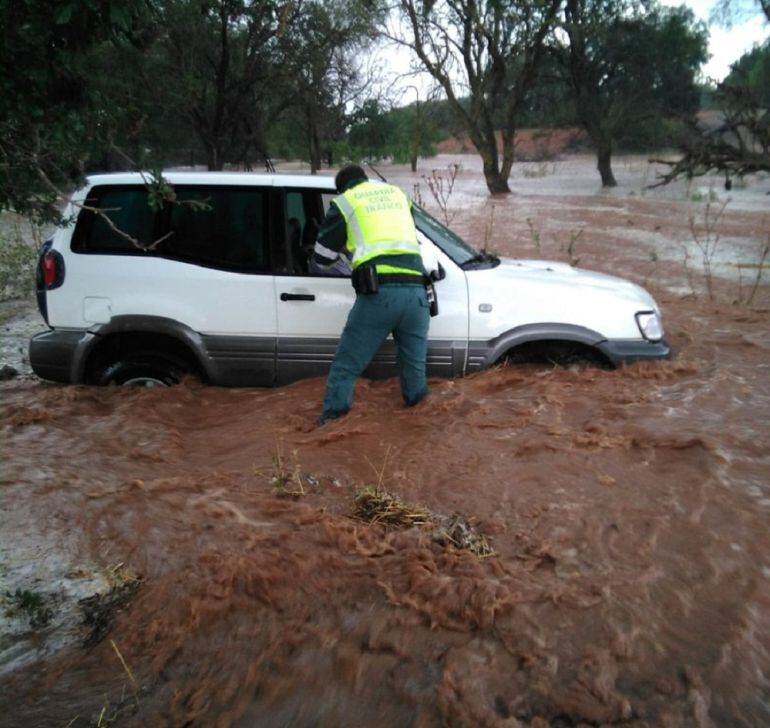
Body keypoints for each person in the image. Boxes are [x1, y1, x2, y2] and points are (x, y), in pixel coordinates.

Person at [314, 164, 431, 425]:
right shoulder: (397, 195)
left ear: (342, 187)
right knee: (414, 373)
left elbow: (322, 259)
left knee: (346, 367)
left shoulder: (345, 202)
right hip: (417, 295)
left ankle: (331, 426)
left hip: (380, 296)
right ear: (364, 179)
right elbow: (407, 233)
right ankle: (420, 424)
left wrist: (347, 250)